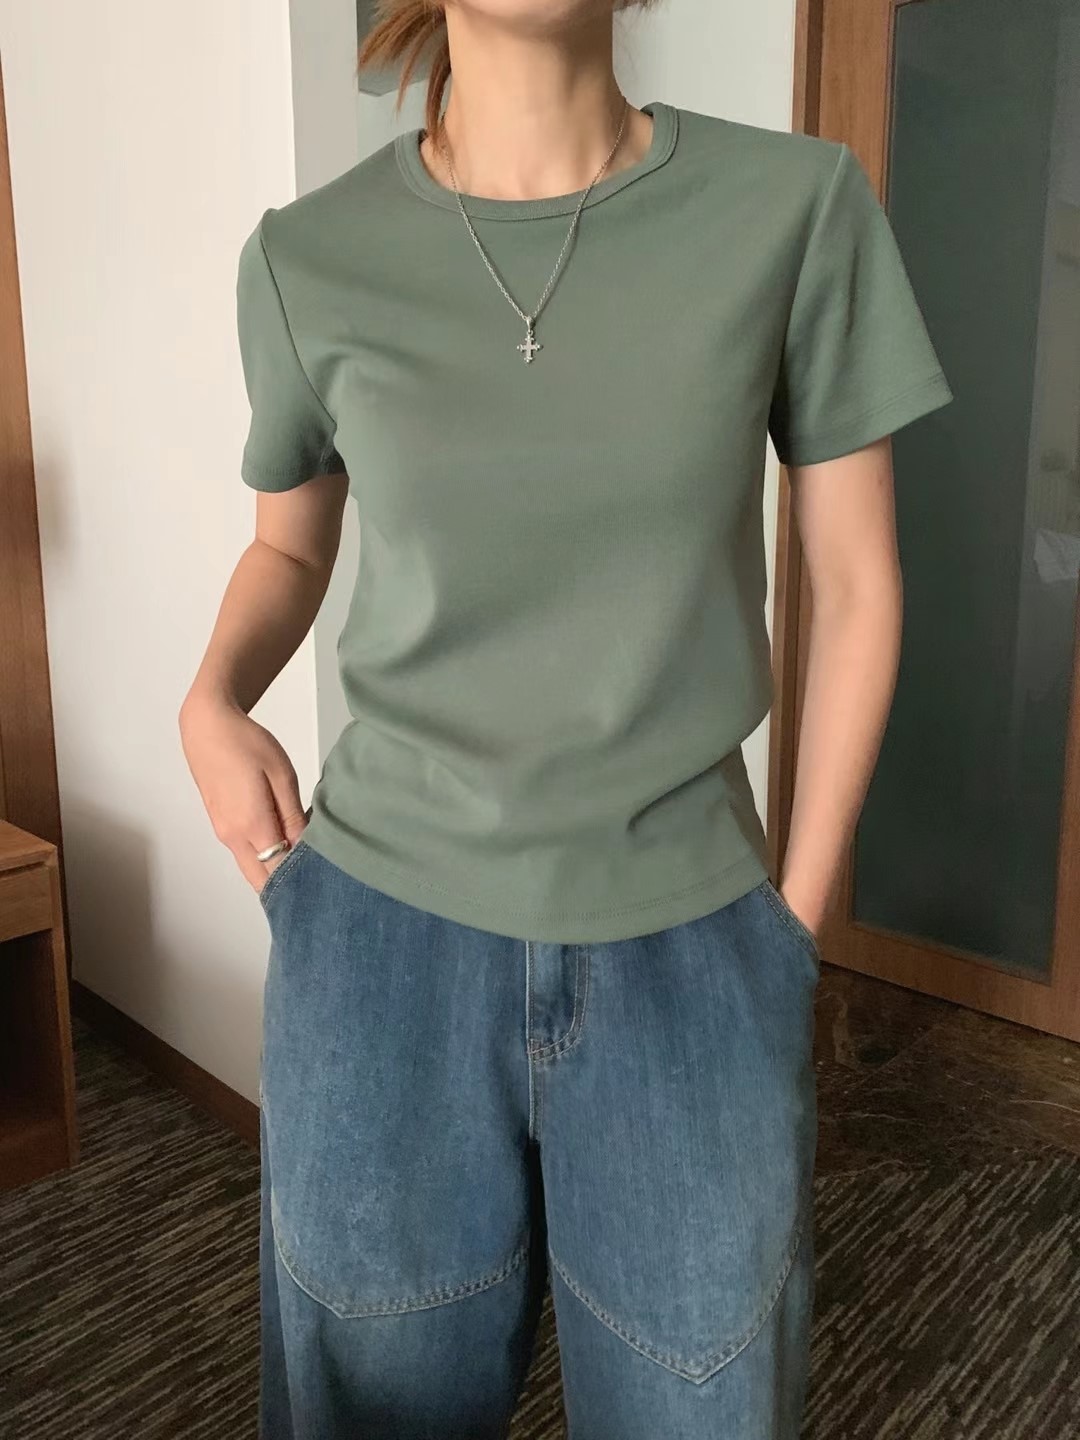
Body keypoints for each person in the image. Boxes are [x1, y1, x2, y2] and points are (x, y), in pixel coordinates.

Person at [179, 2, 953, 1435]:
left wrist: (792, 923)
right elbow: (289, 545)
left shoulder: (795, 209)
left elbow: (856, 581)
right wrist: (210, 699)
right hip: (378, 951)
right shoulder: (305, 257)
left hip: (694, 950)